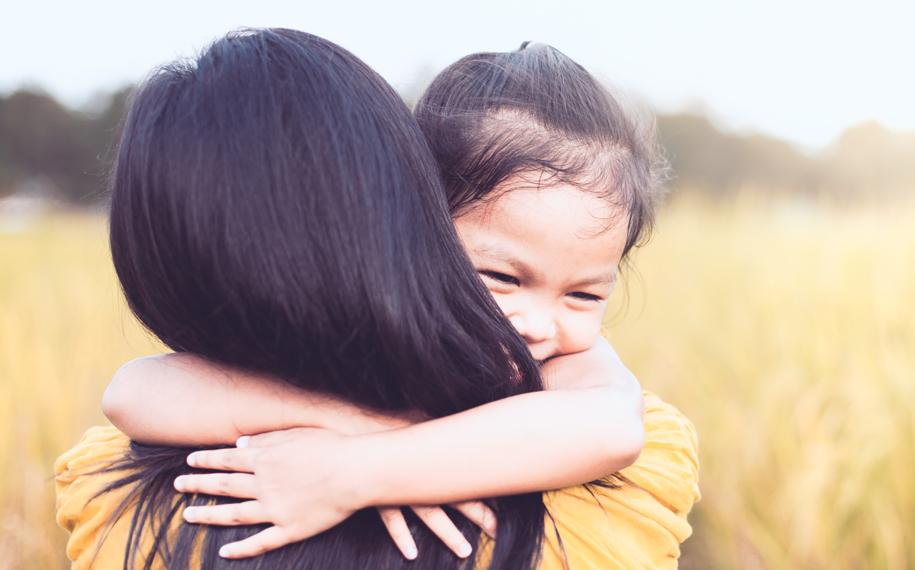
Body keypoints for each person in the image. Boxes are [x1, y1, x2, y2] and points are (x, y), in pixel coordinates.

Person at [56, 31, 699, 569]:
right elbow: (134, 390)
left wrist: (355, 469)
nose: (537, 323)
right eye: (502, 278)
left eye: (586, 294)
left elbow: (610, 425)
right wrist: (383, 430)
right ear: (419, 223)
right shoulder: (588, 501)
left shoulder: (566, 373)